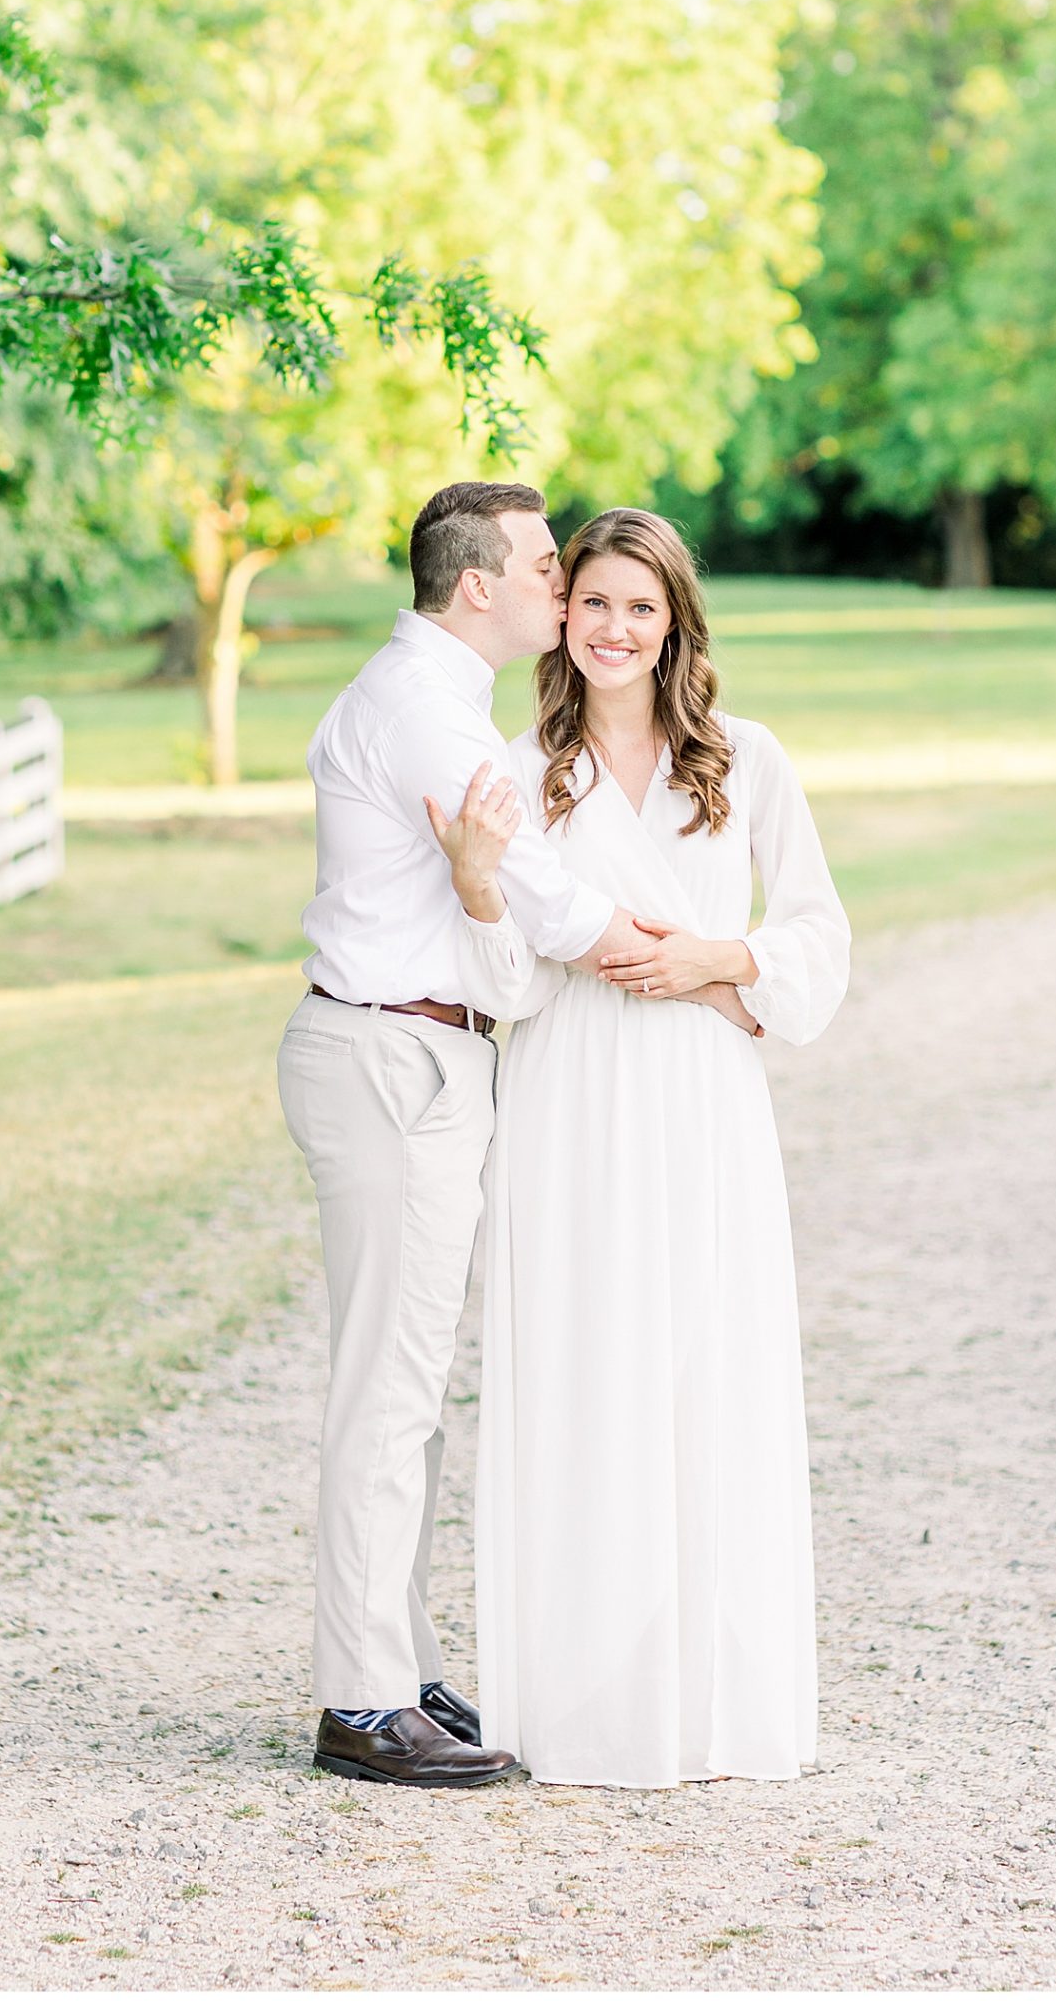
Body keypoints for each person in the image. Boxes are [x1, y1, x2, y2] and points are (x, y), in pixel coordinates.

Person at [432, 507, 850, 1789]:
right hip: (570, 1102)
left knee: (703, 1373)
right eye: (594, 602)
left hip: (703, 1097)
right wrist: (481, 884)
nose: (615, 628)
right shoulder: (517, 766)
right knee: (585, 1376)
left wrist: (724, 960)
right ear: (561, 617)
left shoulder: (745, 759)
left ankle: (717, 1706)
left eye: (641, 608)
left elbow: (821, 943)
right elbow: (508, 985)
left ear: (675, 624)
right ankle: (585, 1711)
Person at [276, 481, 650, 1787]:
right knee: (385, 1393)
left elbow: (504, 946)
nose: (565, 584)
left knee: (411, 1395)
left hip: (420, 1048)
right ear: (478, 584)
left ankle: (399, 1667)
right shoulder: (422, 715)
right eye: (548, 566)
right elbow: (545, 911)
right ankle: (360, 1702)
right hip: (390, 1053)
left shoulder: (436, 703)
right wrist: (693, 963)